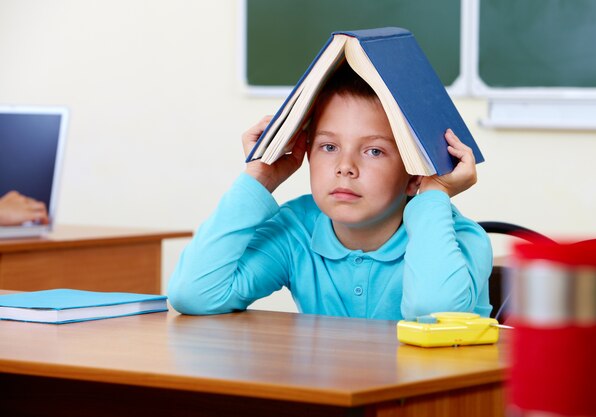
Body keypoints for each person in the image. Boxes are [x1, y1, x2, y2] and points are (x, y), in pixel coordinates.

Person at [168, 65, 492, 320]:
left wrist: (433, 194)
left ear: (414, 172)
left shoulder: (462, 239)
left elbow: (433, 315)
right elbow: (194, 293)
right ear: (306, 152)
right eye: (329, 146)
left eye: (374, 151)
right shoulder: (296, 230)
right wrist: (258, 178)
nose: (345, 166)